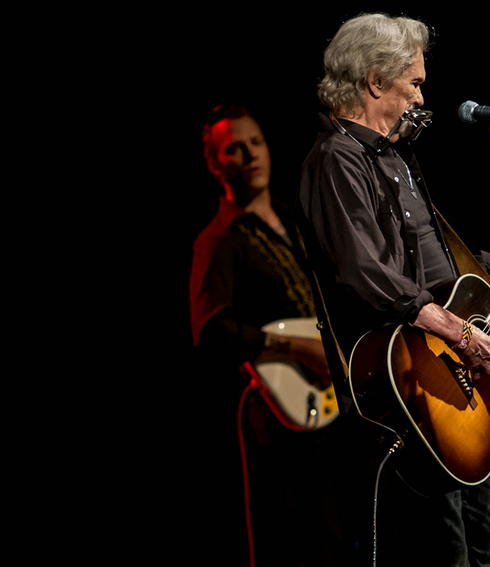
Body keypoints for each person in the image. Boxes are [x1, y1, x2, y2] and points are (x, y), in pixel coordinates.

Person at [297, 13, 490, 567]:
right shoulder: (336, 158)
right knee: (443, 552)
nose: (423, 96)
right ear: (376, 80)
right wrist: (460, 331)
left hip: (453, 385)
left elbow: (443, 271)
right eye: (416, 83)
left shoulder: (399, 160)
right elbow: (367, 272)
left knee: (489, 552)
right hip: (408, 384)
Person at [189, 104, 340, 566]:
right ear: (216, 166)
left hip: (332, 398)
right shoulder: (218, 240)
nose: (249, 154)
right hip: (277, 411)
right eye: (232, 149)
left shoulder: (296, 221)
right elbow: (211, 329)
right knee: (299, 538)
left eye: (255, 142)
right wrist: (295, 347)